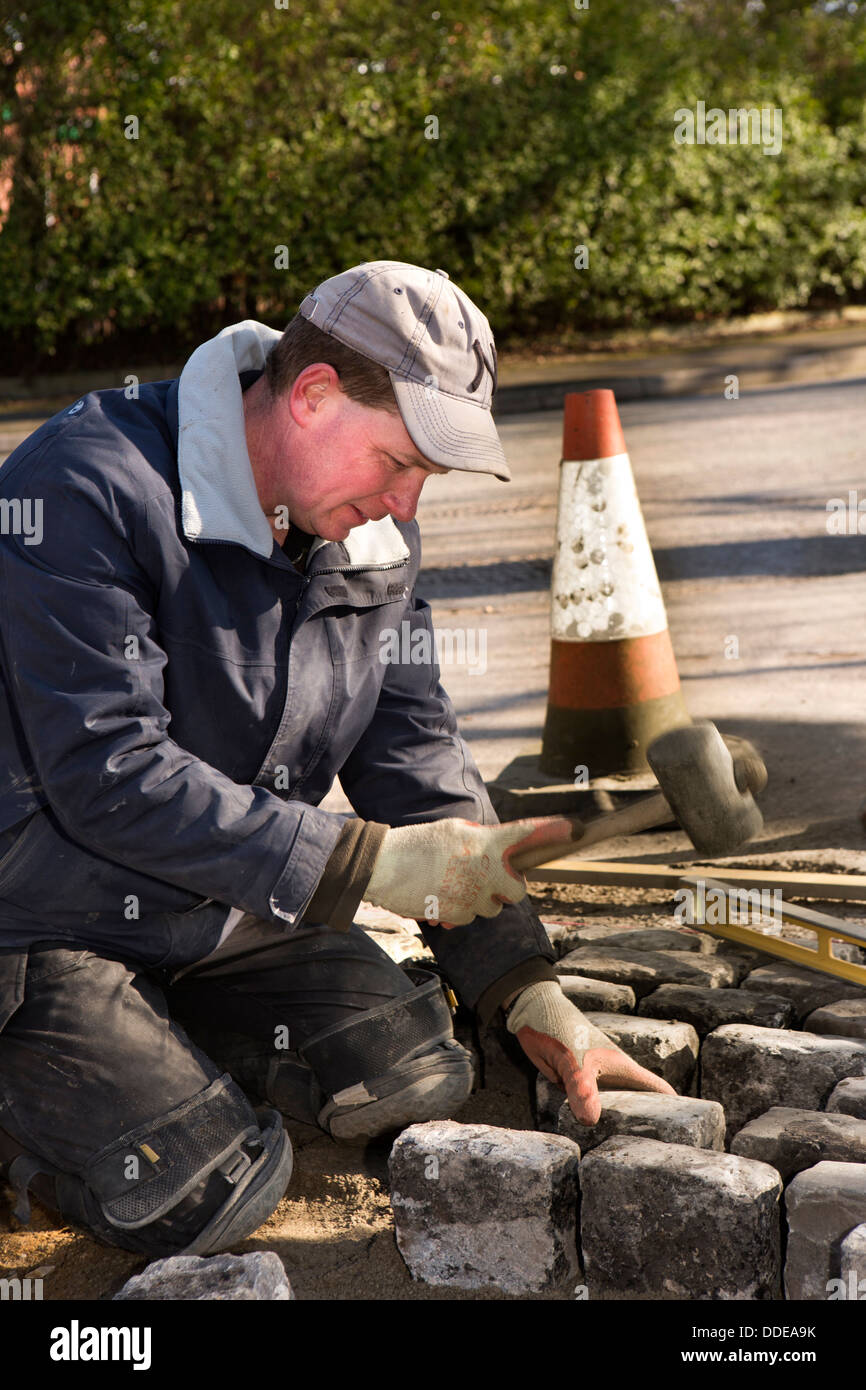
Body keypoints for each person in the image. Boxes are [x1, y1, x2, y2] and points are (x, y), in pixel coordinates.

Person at [0, 261, 671, 1259]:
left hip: (215, 907)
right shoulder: (85, 486)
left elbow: (413, 742)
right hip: (43, 913)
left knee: (411, 1069)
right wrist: (358, 865)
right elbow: (110, 774)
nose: (406, 501)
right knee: (197, 1187)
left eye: (422, 480)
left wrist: (518, 982)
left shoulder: (371, 529)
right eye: (398, 462)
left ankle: (162, 1040)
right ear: (311, 396)